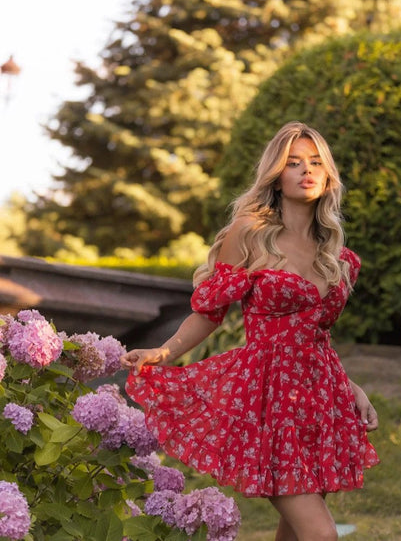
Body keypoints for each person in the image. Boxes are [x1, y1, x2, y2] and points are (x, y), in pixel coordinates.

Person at [120, 121, 379, 541]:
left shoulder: (336, 253)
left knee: (295, 533)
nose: (306, 170)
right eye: (294, 163)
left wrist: (352, 390)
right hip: (267, 398)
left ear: (329, 174)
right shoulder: (251, 234)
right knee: (321, 534)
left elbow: (314, 336)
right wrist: (164, 351)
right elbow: (210, 312)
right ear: (276, 174)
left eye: (315, 162)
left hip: (321, 396)